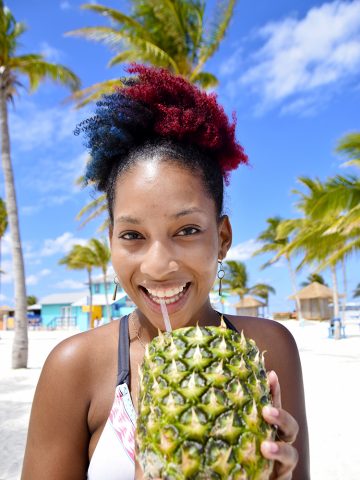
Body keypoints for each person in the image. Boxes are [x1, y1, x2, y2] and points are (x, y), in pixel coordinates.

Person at [21, 64, 309, 480]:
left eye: (187, 230)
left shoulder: (268, 350)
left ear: (223, 238)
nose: (158, 265)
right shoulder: (73, 367)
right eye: (133, 234)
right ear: (111, 239)